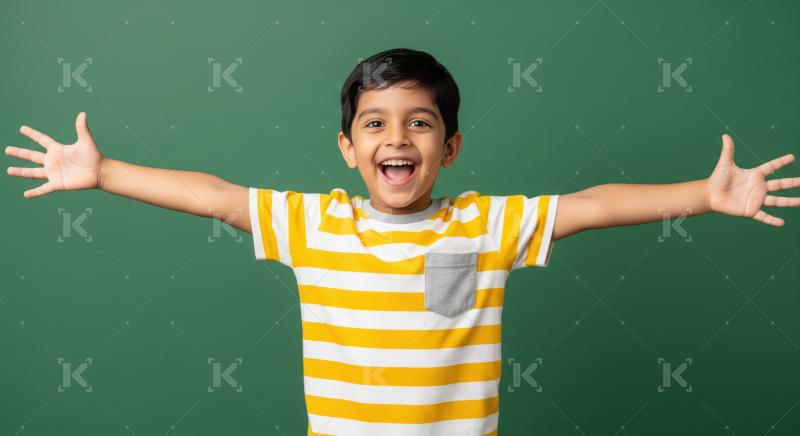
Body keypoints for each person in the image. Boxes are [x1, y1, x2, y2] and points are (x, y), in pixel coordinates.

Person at [5, 48, 798, 435]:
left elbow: (589, 205)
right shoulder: (315, 225)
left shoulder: (484, 224)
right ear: (348, 148)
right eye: (375, 124)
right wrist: (105, 173)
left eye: (420, 123)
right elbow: (216, 196)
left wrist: (703, 194)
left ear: (449, 147)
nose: (398, 139)